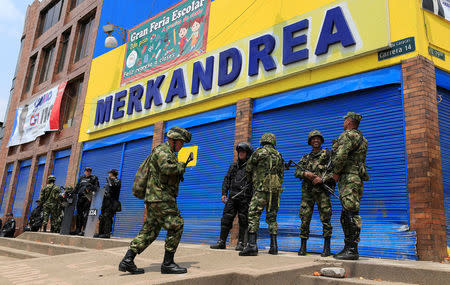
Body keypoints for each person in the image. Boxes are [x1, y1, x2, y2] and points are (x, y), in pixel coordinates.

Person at [118, 126, 192, 274]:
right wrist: (181, 166)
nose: (182, 145)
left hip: (155, 198)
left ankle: (127, 260)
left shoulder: (166, 151)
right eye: (181, 142)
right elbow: (166, 168)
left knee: (149, 231)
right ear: (174, 140)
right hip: (161, 198)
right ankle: (167, 264)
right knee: (177, 225)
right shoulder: (163, 151)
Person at [332, 112, 369, 260]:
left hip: (348, 179)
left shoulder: (347, 136)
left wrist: (335, 172)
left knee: (349, 214)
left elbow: (341, 155)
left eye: (345, 120)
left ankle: (352, 250)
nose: (344, 123)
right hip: (357, 179)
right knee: (350, 212)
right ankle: (349, 247)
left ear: (348, 122)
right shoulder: (363, 139)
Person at [240, 133, 284, 256]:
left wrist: (251, 180)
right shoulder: (279, 155)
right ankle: (274, 246)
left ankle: (252, 246)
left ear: (263, 141)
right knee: (272, 217)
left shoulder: (259, 153)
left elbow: (248, 168)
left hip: (261, 190)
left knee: (253, 214)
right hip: (275, 191)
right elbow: (281, 174)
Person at [295, 130, 334, 257]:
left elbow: (335, 171)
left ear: (321, 141)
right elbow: (296, 172)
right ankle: (303, 247)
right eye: (313, 139)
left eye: (318, 138)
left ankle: (327, 248)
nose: (315, 140)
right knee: (305, 219)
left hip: (322, 192)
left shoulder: (328, 155)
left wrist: (322, 179)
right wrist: (306, 174)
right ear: (310, 142)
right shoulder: (306, 158)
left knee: (326, 219)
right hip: (308, 193)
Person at [210, 142, 254, 251]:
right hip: (232, 197)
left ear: (247, 153)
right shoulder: (233, 166)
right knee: (226, 219)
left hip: (245, 198)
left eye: (243, 152)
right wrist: (224, 193)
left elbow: (255, 183)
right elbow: (227, 179)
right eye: (239, 152)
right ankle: (221, 242)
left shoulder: (251, 168)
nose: (240, 153)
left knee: (244, 221)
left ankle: (241, 243)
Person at [73, 167, 99, 236]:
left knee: (86, 215)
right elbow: (77, 187)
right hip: (80, 198)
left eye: (89, 171)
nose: (88, 172)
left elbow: (97, 188)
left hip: (88, 199)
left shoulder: (94, 178)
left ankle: (85, 230)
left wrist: (91, 187)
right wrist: (71, 193)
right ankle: (77, 229)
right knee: (79, 214)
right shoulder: (81, 178)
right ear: (84, 171)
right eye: (87, 171)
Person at [96, 169, 121, 238]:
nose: (109, 174)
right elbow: (104, 190)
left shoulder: (117, 181)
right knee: (102, 216)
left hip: (112, 202)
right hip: (105, 201)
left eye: (110, 173)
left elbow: (113, 186)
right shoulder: (108, 182)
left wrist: (109, 180)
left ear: (112, 174)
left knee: (108, 216)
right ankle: (100, 232)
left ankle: (107, 233)